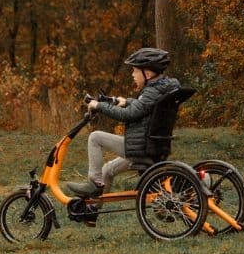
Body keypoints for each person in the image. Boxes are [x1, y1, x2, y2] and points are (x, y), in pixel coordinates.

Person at [66, 47, 180, 197]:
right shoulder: (162, 88)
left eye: (135, 71)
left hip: (141, 148)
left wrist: (99, 105)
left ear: (148, 73)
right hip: (154, 146)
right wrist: (127, 101)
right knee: (107, 170)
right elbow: (145, 106)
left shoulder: (151, 91)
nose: (132, 75)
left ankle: (93, 183)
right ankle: (93, 210)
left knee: (95, 137)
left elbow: (128, 115)